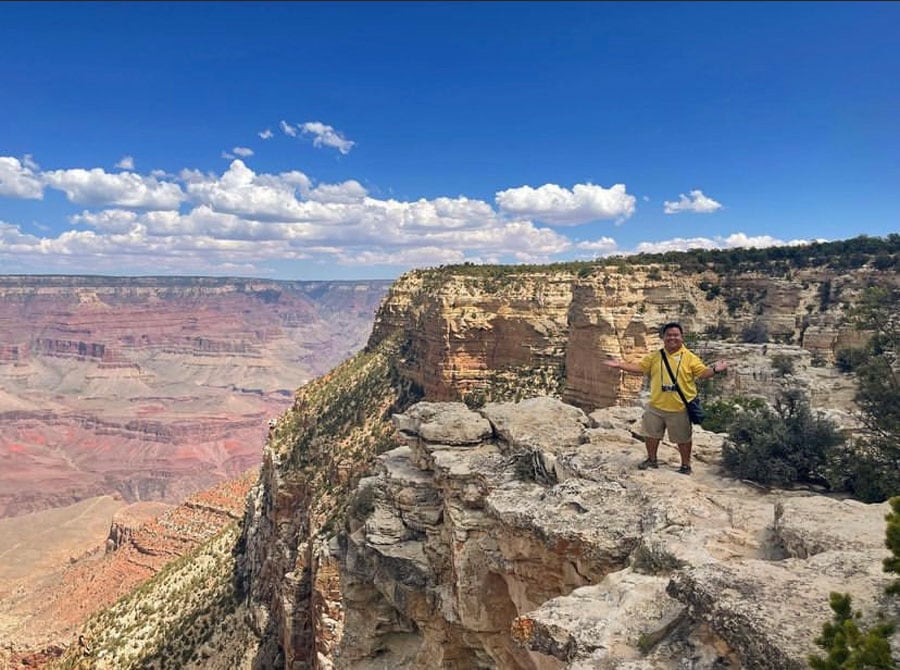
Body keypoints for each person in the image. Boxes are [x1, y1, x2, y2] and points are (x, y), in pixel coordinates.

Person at [604, 321, 727, 475]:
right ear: (663, 337)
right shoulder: (655, 356)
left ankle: (685, 465)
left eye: (676, 335)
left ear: (682, 337)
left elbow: (702, 373)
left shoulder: (689, 357)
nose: (672, 338)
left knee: (683, 439)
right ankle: (652, 460)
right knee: (650, 435)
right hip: (656, 405)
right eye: (669, 335)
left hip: (679, 407)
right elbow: (640, 368)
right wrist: (620, 365)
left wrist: (715, 370)